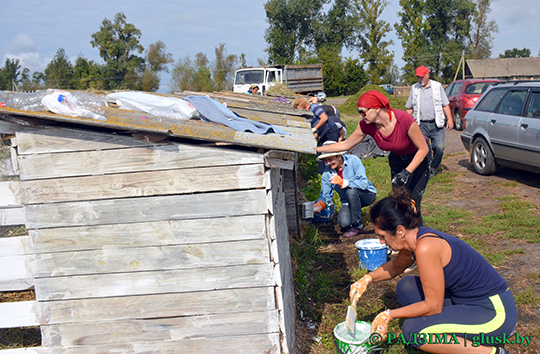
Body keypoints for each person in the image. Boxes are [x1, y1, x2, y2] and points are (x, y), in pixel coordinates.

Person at [349, 187, 517, 354]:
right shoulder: (414, 238)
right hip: (465, 301)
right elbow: (396, 266)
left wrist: (388, 315)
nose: (381, 242)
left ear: (399, 230)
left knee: (414, 331)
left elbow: (433, 306)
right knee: (406, 286)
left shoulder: (426, 248)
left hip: (496, 314)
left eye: (382, 236)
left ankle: (494, 353)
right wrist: (366, 279)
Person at [316, 90, 430, 220]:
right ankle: (402, 232)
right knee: (401, 200)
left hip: (418, 157)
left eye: (362, 111)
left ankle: (418, 234)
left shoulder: (404, 120)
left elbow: (423, 148)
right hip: (397, 158)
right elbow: (345, 145)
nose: (360, 116)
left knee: (414, 200)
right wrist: (317, 149)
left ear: (376, 108)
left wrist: (407, 172)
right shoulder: (366, 125)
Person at [313, 142, 377, 237]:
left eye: (330, 160)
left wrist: (344, 182)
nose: (328, 163)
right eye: (326, 161)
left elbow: (363, 184)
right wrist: (320, 204)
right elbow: (325, 195)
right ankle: (354, 211)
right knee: (344, 224)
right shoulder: (327, 173)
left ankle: (357, 225)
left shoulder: (354, 161)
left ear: (339, 156)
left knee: (351, 192)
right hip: (347, 200)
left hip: (367, 194)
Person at [406, 66, 453, 177]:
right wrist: (403, 122)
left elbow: (445, 104)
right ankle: (426, 170)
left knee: (439, 148)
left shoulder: (437, 87)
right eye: (418, 77)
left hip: (437, 124)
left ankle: (434, 167)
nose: (419, 79)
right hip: (421, 125)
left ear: (428, 75)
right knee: (424, 148)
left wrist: (450, 119)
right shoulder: (414, 88)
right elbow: (409, 108)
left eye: (421, 77)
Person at [293, 97, 340, 173]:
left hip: (330, 130)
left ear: (301, 104)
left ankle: (335, 172)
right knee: (320, 154)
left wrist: (315, 128)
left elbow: (324, 118)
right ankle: (323, 174)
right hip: (323, 132)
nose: (297, 109)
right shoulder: (307, 112)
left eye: (297, 107)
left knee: (331, 152)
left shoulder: (313, 107)